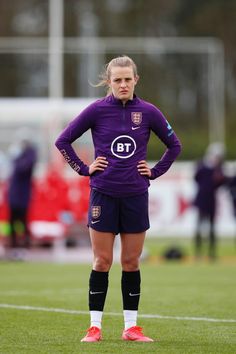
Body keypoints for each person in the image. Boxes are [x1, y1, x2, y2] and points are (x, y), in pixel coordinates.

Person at [55, 55, 181, 342]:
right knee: (101, 261)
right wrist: (84, 169)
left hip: (136, 195)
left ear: (136, 79)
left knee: (131, 262)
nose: (123, 84)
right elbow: (62, 140)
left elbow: (174, 145)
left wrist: (154, 172)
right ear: (108, 82)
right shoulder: (97, 111)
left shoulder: (149, 112)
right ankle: (94, 328)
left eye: (127, 79)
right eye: (117, 80)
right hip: (103, 194)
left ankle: (131, 328)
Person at [193, 142, 226, 260]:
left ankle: (212, 253)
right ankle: (198, 253)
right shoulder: (202, 165)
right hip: (202, 199)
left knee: (212, 227)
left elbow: (221, 182)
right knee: (199, 226)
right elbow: (196, 177)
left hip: (211, 200)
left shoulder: (219, 168)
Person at [7, 129, 37, 250]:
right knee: (12, 221)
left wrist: (17, 157)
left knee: (24, 220)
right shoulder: (18, 155)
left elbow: (23, 168)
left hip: (23, 194)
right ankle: (13, 245)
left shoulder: (30, 154)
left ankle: (25, 245)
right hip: (14, 194)